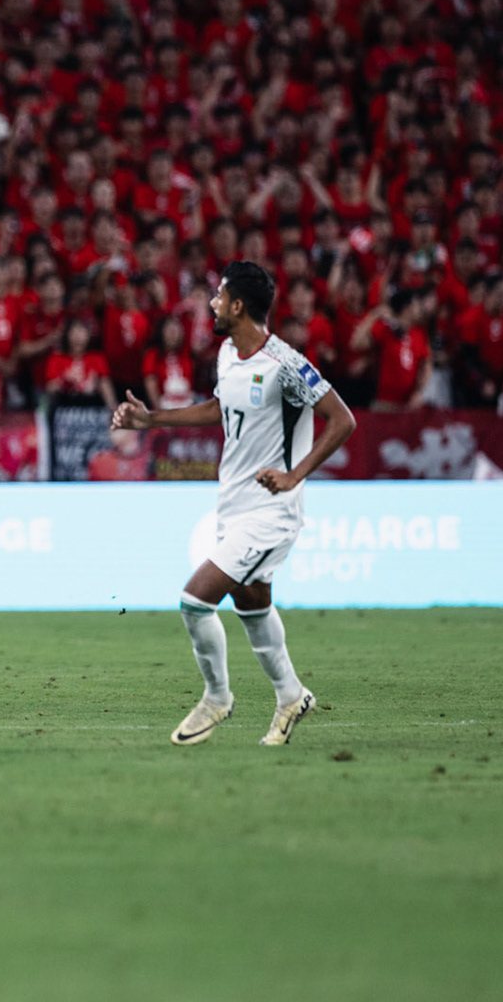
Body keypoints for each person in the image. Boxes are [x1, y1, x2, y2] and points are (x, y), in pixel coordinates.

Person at [112, 261, 355, 748]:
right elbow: (219, 408)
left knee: (194, 599)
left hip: (273, 511)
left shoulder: (285, 364)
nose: (212, 303)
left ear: (239, 305)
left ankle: (217, 697)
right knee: (252, 603)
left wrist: (294, 476)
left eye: (220, 296)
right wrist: (150, 420)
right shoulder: (227, 353)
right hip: (234, 505)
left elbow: (342, 420)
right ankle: (291, 695)